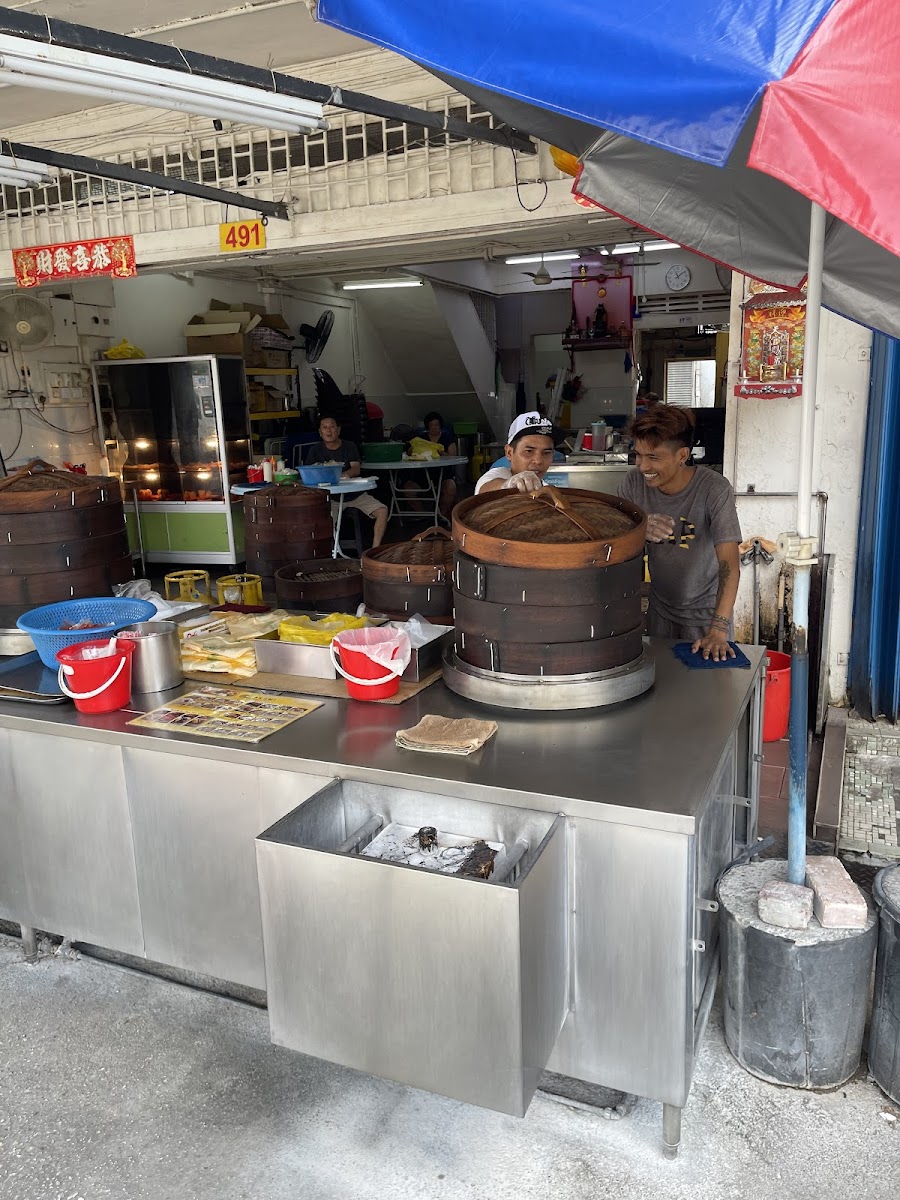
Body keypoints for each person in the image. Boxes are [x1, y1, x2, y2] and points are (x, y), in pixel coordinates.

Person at [617, 405, 741, 661]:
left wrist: (718, 629)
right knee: (660, 679)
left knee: (708, 684)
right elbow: (614, 542)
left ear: (682, 455)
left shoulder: (714, 489)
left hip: (707, 617)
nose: (642, 466)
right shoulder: (632, 484)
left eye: (654, 457)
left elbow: (729, 563)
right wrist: (638, 529)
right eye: (638, 455)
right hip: (660, 612)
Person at [306, 416, 388, 548]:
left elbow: (356, 469)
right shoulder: (315, 450)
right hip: (330, 498)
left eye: (332, 426)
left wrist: (341, 475)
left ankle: (375, 549)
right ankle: (330, 551)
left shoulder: (349, 446)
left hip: (354, 494)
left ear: (338, 430)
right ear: (320, 432)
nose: (328, 430)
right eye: (324, 427)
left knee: (382, 511)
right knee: (322, 520)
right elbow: (310, 472)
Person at [475, 412, 556, 494]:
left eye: (547, 453)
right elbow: (485, 490)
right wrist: (509, 484)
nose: (538, 461)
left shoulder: (547, 489)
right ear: (509, 452)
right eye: (529, 451)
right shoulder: (498, 474)